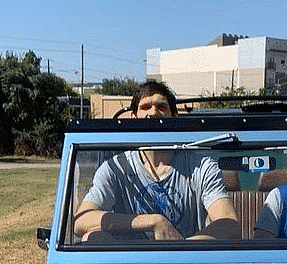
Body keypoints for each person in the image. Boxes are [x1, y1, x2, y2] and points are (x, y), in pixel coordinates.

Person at [74, 81, 240, 242]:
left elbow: (229, 225)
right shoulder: (115, 168)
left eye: (161, 107)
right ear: (133, 117)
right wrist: (153, 221)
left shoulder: (202, 166)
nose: (153, 113)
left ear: (174, 117)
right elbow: (81, 221)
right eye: (145, 107)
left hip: (186, 263)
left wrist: (182, 249)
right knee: (91, 237)